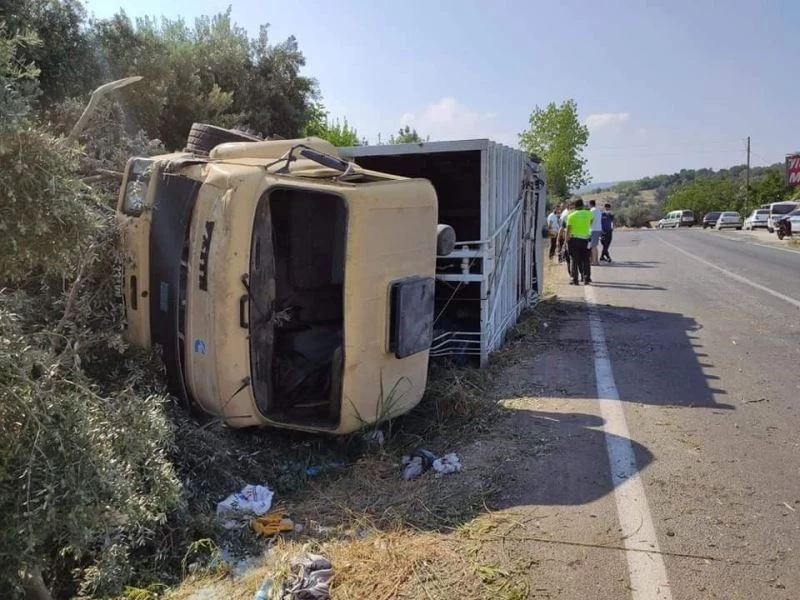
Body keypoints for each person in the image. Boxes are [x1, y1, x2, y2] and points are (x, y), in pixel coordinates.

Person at [566, 198, 593, 285]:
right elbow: (591, 222)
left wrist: (566, 239)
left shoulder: (571, 215)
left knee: (574, 260)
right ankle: (586, 278)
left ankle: (575, 279)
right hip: (585, 239)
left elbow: (568, 229)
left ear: (575, 206)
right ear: (582, 205)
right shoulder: (589, 213)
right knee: (586, 259)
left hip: (574, 239)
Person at [588, 199, 602, 266]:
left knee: (593, 246)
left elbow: (590, 220)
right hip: (598, 229)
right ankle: (596, 261)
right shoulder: (598, 210)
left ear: (590, 204)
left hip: (593, 229)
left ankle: (594, 261)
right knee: (595, 246)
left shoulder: (591, 211)